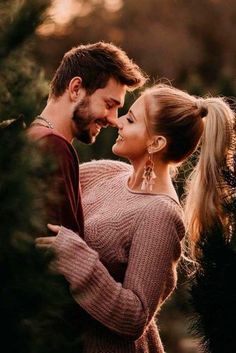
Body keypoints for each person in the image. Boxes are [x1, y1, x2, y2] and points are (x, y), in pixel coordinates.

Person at [36, 84, 235, 353]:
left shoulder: (160, 215)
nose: (117, 122)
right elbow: (42, 183)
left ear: (156, 143)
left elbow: (135, 317)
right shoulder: (107, 173)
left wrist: (74, 256)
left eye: (130, 119)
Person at [28, 41, 146, 235]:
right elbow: (57, 258)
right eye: (109, 104)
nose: (114, 120)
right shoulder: (53, 146)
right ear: (75, 88)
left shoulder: (33, 137)